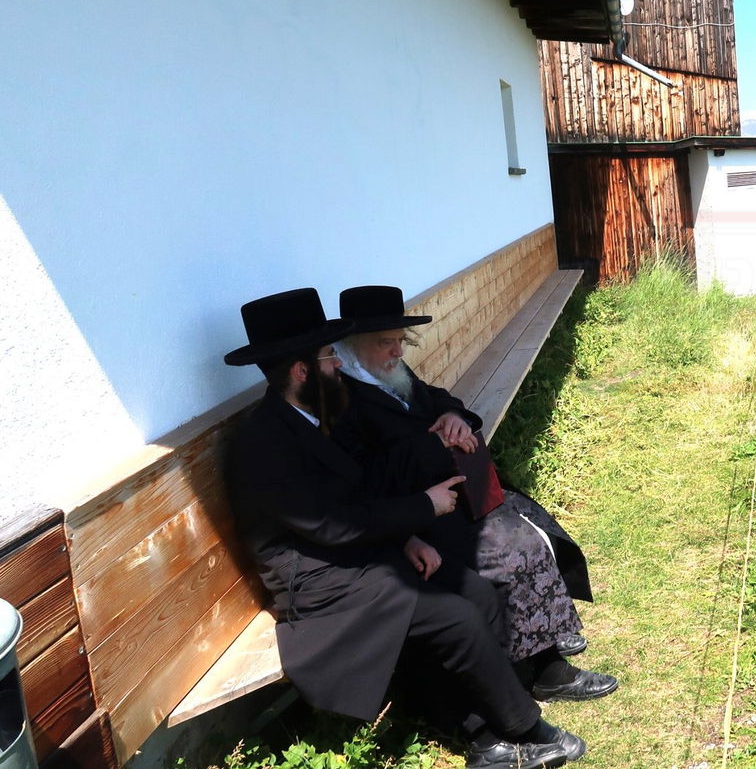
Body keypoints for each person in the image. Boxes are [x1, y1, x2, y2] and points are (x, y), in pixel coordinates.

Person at [222, 288, 586, 769]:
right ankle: (522, 729)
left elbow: (351, 502)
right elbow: (331, 525)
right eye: (331, 355)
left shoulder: (309, 412)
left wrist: (406, 537)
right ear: (301, 370)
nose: (338, 364)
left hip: (356, 551)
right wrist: (422, 509)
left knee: (474, 591)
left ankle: (480, 724)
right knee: (452, 616)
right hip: (317, 580)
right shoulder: (262, 442)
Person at [330, 285, 616, 703]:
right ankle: (547, 670)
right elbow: (367, 477)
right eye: (384, 342)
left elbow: (438, 399)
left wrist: (453, 417)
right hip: (414, 512)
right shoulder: (342, 396)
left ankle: (545, 638)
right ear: (354, 345)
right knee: (511, 546)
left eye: (399, 341)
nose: (397, 352)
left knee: (532, 524)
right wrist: (436, 446)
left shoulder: (389, 373)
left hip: (453, 491)